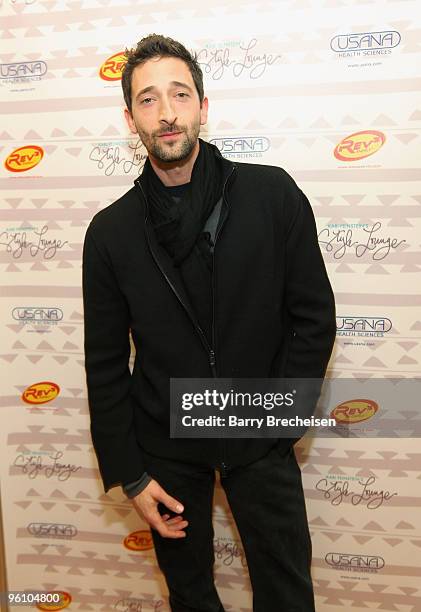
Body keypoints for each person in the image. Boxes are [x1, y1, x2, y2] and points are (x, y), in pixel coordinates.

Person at [82, 33, 336, 612]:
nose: (167, 113)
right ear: (129, 117)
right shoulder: (110, 233)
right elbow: (104, 364)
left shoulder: (273, 195)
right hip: (165, 451)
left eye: (180, 94)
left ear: (203, 105)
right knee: (190, 597)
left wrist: (281, 419)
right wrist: (131, 475)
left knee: (287, 596)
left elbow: (314, 318)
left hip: (261, 437)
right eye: (148, 100)